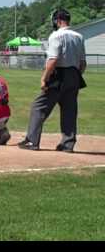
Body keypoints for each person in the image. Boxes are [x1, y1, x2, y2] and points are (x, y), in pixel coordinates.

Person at [18, 9, 87, 152]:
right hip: (74, 74)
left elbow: (53, 59)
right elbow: (82, 63)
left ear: (58, 20)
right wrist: (75, 76)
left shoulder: (56, 36)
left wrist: (44, 78)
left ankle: (32, 141)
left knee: (39, 107)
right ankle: (67, 144)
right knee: (69, 110)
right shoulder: (79, 36)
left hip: (59, 74)